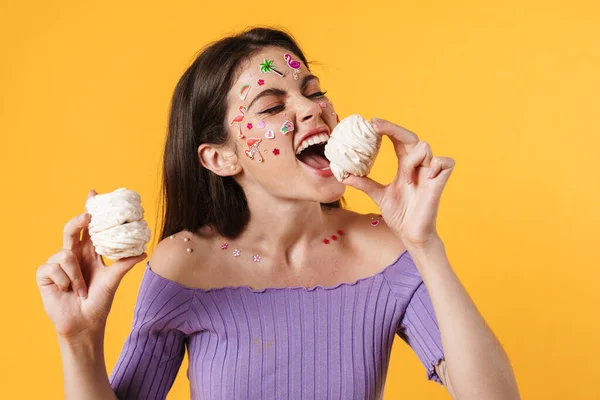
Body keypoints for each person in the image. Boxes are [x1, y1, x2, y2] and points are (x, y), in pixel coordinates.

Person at [36, 27, 520, 400]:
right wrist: (79, 337)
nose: (312, 109)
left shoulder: (384, 251)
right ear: (220, 158)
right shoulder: (185, 264)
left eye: (312, 91)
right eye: (272, 106)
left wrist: (425, 246)